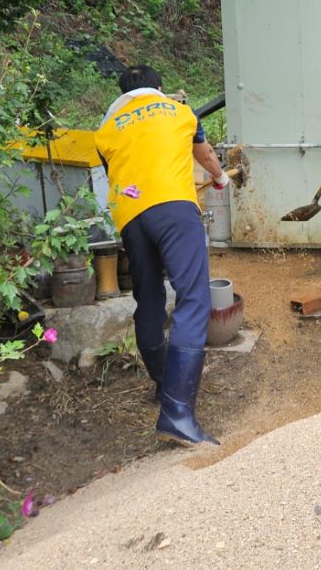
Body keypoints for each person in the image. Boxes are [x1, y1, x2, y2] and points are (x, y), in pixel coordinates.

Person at [94, 64, 230, 446]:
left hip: (130, 216)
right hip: (173, 207)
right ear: (159, 87)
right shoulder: (180, 111)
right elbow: (204, 156)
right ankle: (177, 414)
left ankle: (163, 384)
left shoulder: (106, 129)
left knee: (149, 297)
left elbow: (119, 171)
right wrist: (220, 178)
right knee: (194, 298)